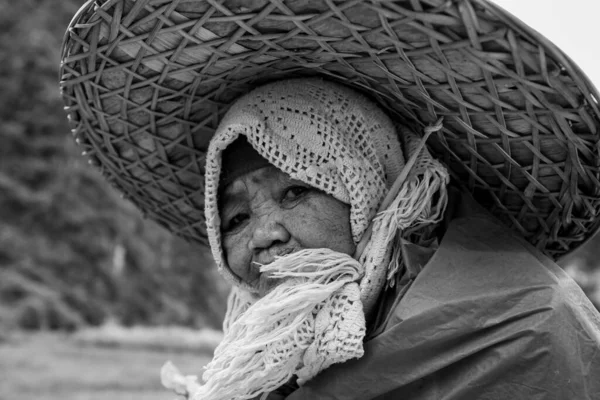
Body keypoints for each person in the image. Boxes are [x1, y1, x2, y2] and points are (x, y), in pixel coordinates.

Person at [59, 0, 600, 399]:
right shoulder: (268, 360)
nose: (263, 235)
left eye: (296, 190)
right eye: (236, 217)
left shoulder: (523, 325)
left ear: (370, 188)